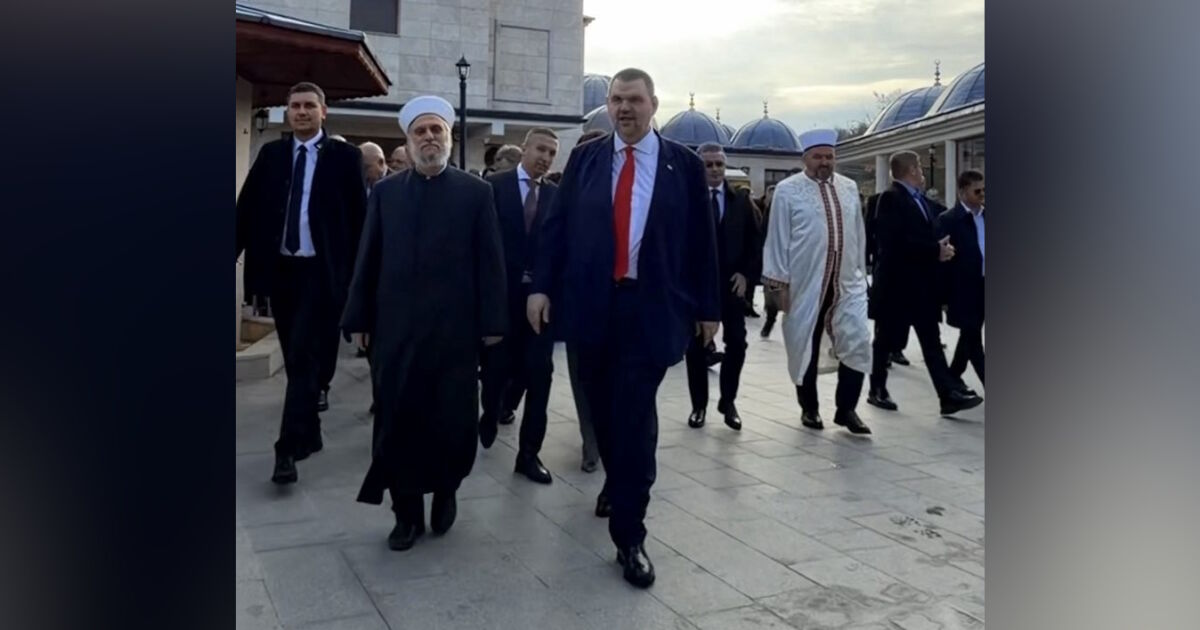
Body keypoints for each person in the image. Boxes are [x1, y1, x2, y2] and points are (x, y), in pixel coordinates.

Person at [528, 68, 720, 588]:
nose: (624, 109)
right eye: (616, 100)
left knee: (634, 417)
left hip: (650, 309)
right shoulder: (587, 159)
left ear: (654, 104)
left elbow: (702, 242)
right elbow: (556, 228)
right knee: (602, 413)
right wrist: (541, 287)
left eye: (634, 99)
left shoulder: (682, 165)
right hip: (591, 307)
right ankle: (618, 480)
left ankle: (630, 534)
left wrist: (708, 309)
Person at [340, 95, 507, 551]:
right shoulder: (387, 193)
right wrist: (359, 317)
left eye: (437, 130)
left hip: (454, 333)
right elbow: (368, 257)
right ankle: (406, 513)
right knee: (397, 421)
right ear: (409, 140)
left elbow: (490, 260)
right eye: (421, 131)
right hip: (396, 332)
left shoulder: (476, 193)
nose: (429, 137)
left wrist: (493, 320)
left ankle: (446, 489)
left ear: (449, 137)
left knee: (451, 420)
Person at [236, 82, 367, 484]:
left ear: (323, 112)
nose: (302, 112)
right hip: (282, 273)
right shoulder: (272, 155)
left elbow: (359, 220)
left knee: (306, 354)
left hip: (323, 274)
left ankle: (287, 448)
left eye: (310, 105)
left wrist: (361, 280)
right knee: (298, 359)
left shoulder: (346, 158)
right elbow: (246, 209)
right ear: (288, 112)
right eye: (295, 106)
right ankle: (309, 430)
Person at [760, 129, 873, 435]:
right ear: (805, 159)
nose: (825, 162)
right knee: (804, 344)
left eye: (829, 156)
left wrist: (861, 272)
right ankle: (809, 407)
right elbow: (777, 238)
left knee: (858, 341)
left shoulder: (849, 187)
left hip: (846, 283)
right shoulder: (787, 191)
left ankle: (846, 409)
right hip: (805, 284)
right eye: (818, 157)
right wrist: (778, 284)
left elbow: (858, 232)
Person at [867, 150, 983, 415]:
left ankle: (947, 395)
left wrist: (940, 247)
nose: (922, 171)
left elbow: (924, 235)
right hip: (897, 288)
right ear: (911, 170)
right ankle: (877, 389)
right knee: (884, 341)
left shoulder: (920, 201)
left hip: (921, 287)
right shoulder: (891, 199)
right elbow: (893, 243)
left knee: (931, 342)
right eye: (919, 167)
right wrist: (934, 251)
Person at [479, 127, 561, 485]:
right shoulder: (493, 187)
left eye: (552, 153)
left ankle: (529, 454)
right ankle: (490, 412)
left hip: (541, 303)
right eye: (540, 149)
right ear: (525, 148)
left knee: (540, 377)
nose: (545, 158)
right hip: (501, 301)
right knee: (495, 372)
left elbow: (560, 248)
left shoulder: (557, 196)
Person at [685, 142, 761, 432]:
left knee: (738, 343)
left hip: (731, 285)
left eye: (719, 164)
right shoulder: (689, 200)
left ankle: (728, 401)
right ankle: (699, 405)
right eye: (709, 164)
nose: (715, 169)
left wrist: (746, 274)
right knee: (696, 347)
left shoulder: (740, 200)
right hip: (697, 285)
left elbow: (755, 242)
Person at [563, 127, 609, 473]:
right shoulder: (566, 196)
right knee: (582, 378)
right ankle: (590, 442)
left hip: (618, 305)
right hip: (578, 303)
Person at [936, 169, 985, 388]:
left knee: (969, 335)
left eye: (984, 190)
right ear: (963, 192)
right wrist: (944, 297)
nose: (982, 195)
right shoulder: (949, 220)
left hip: (984, 285)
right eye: (977, 191)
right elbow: (942, 263)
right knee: (973, 338)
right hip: (963, 289)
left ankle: (953, 376)